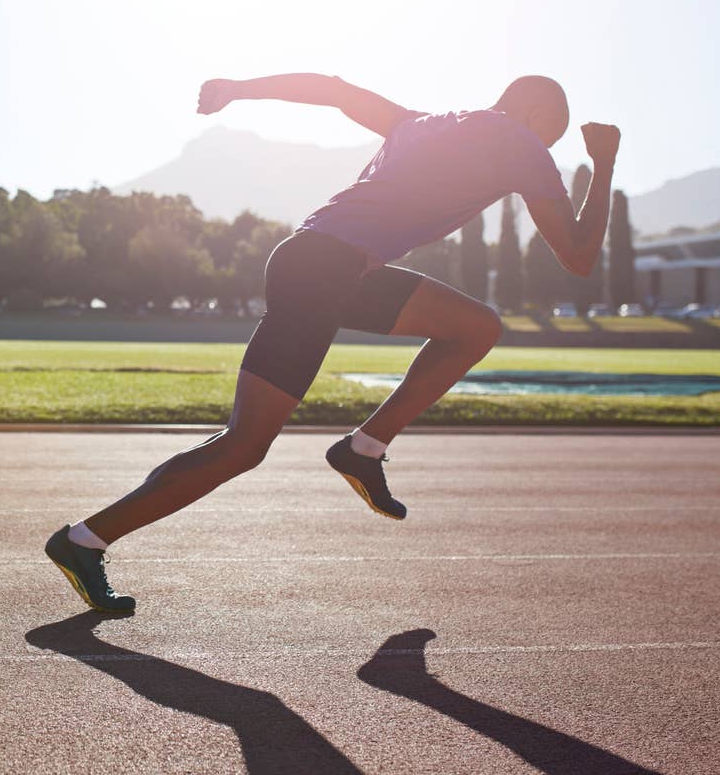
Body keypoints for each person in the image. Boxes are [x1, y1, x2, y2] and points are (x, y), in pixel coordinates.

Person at [44, 73, 621, 613]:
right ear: (536, 110)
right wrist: (602, 164)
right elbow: (577, 256)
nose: (543, 157)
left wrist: (240, 88)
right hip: (327, 271)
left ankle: (363, 449)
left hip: (322, 261)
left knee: (475, 327)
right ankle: (84, 540)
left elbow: (334, 91)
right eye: (551, 136)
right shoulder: (521, 142)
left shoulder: (420, 122)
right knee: (244, 446)